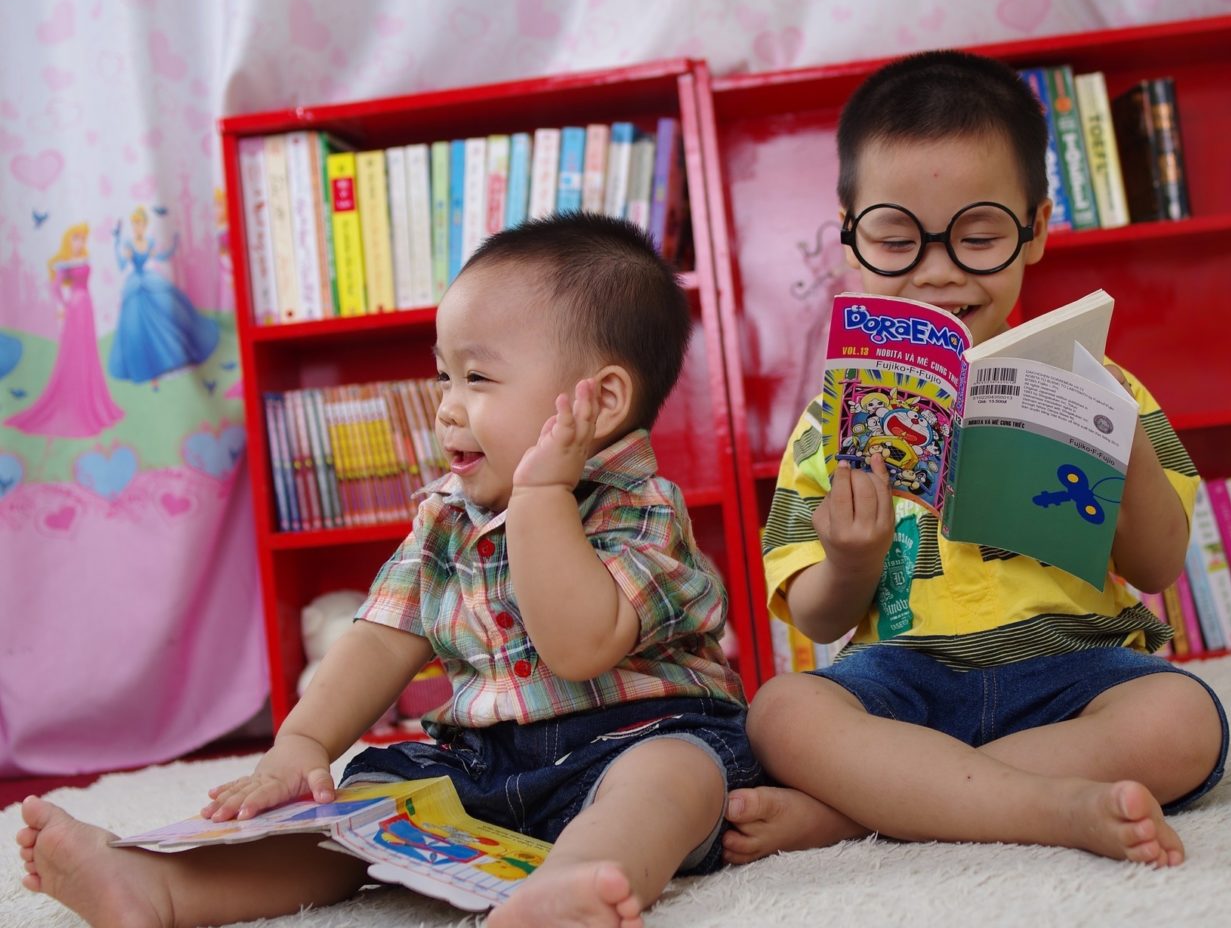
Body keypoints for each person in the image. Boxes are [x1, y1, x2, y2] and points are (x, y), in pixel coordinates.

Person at [18, 213, 759, 928]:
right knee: (360, 805)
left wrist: (541, 496)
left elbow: (577, 646)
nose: (445, 407)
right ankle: (162, 889)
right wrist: (300, 747)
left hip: (635, 737)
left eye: (477, 378)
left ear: (599, 403)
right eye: (443, 376)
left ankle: (576, 885)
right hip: (481, 763)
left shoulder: (643, 510)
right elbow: (380, 640)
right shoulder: (446, 519)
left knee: (676, 778)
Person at [721, 50, 1227, 869]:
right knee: (780, 712)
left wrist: (1116, 429)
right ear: (850, 238)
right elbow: (817, 617)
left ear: (1036, 231)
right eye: (896, 239)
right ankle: (1017, 800)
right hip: (904, 680)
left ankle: (869, 812)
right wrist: (852, 556)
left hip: (1073, 667)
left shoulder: (1108, 384)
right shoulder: (831, 422)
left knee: (1183, 719)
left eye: (979, 236)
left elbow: (1159, 562)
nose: (937, 271)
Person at [5, 222, 124, 438]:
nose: (80, 242)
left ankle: (90, 396)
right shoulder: (65, 262)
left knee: (88, 351)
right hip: (76, 306)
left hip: (86, 306)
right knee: (75, 351)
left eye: (82, 238)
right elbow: (55, 286)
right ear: (69, 240)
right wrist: (66, 303)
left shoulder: (83, 258)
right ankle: (75, 397)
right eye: (76, 238)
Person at [108, 206, 219, 388]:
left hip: (151, 281)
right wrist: (116, 241)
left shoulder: (149, 241)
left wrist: (174, 245)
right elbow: (121, 264)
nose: (137, 227)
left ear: (145, 224)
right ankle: (149, 366)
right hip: (136, 284)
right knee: (136, 323)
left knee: (170, 310)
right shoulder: (129, 245)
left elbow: (160, 256)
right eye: (134, 224)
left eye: (139, 223)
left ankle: (174, 354)